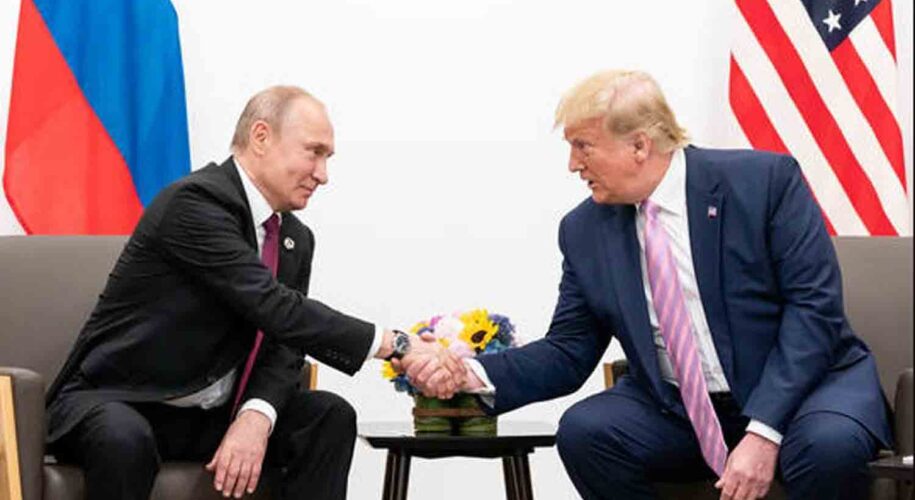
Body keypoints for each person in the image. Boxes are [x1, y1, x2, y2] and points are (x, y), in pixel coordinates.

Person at [406, 70, 891, 500]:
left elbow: (814, 310)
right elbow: (570, 349)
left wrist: (764, 431)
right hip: (682, 408)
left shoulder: (764, 182)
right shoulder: (584, 229)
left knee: (827, 449)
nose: (573, 165)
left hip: (806, 391)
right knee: (587, 432)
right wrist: (474, 373)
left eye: (583, 147)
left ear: (639, 145)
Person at [46, 86, 465, 500]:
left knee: (328, 416)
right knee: (125, 438)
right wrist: (396, 344)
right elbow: (275, 307)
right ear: (261, 137)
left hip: (206, 416)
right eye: (313, 152)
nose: (323, 174)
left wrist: (256, 415)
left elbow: (284, 345)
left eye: (327, 158)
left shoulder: (294, 239)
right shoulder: (194, 204)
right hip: (121, 401)